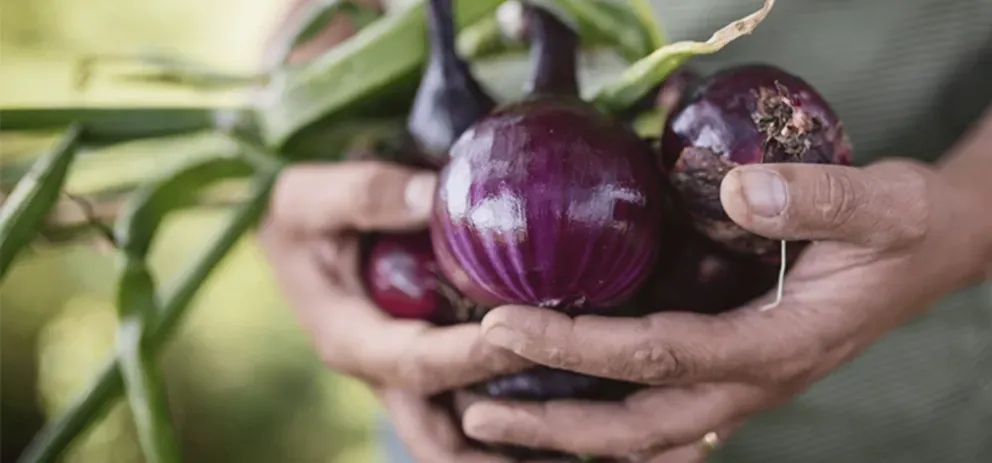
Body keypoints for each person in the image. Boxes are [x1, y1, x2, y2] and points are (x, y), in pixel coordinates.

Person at [260, 0, 992, 462]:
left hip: (904, 380)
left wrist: (965, 216)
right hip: (465, 407)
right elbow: (319, 23)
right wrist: (305, 99)